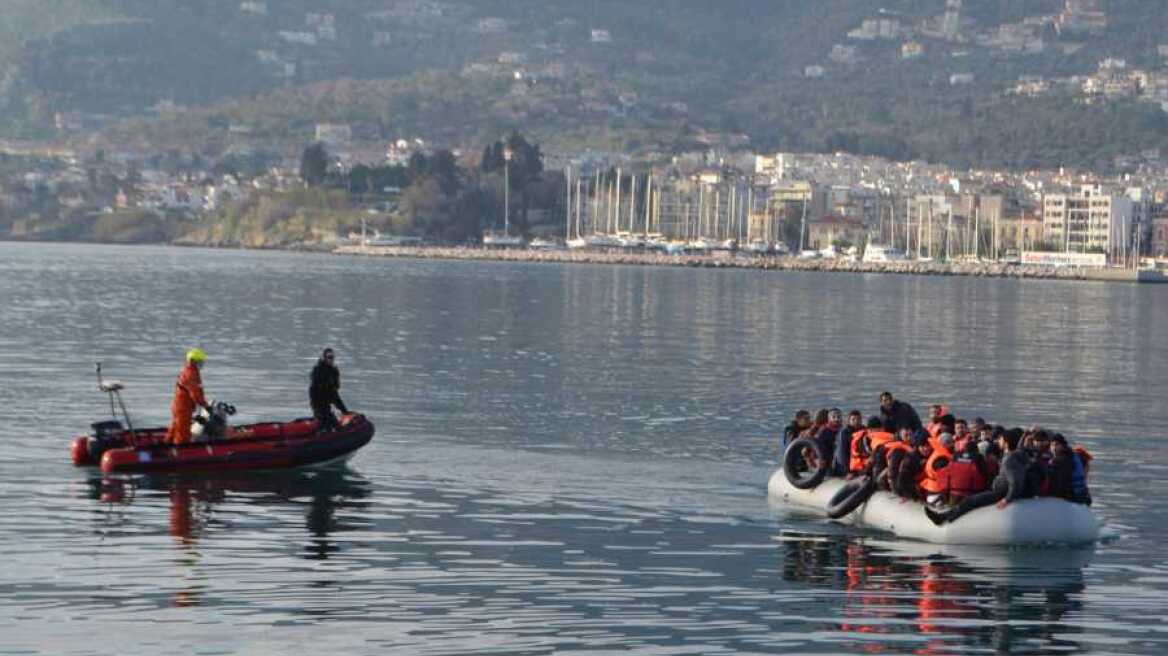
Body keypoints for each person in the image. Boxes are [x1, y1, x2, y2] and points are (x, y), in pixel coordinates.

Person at [926, 428, 1039, 525]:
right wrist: (1025, 435)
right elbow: (1020, 447)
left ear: (1006, 443)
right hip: (999, 490)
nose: (998, 441)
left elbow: (1016, 482)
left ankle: (943, 518)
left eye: (1001, 439)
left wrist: (1006, 499)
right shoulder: (1016, 454)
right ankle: (945, 515)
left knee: (970, 501)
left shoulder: (1009, 460)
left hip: (1000, 493)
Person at [166, 348, 211, 445]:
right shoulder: (191, 373)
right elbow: (196, 393)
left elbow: (195, 392)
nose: (202, 364)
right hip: (183, 407)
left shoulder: (190, 371)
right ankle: (179, 452)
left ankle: (167, 445)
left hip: (181, 406)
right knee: (183, 433)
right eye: (200, 361)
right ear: (194, 361)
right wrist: (206, 406)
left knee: (176, 428)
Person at [309, 347, 349, 430]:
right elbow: (315, 390)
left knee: (334, 427)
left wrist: (344, 411)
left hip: (326, 405)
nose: (331, 360)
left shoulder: (333, 371)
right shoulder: (318, 370)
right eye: (329, 357)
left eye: (332, 357)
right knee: (326, 425)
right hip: (319, 405)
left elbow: (334, 393)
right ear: (324, 358)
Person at [833, 410, 864, 476]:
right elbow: (841, 453)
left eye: (858, 419)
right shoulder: (844, 432)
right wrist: (847, 471)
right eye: (853, 419)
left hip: (858, 464)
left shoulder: (864, 430)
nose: (856, 421)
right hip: (844, 466)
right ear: (849, 421)